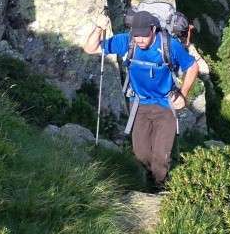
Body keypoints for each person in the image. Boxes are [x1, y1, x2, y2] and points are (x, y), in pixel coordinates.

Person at [84, 10, 199, 189]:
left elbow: (192, 67)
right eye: (136, 35)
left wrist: (183, 94)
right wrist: (99, 27)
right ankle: (150, 179)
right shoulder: (127, 41)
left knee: (160, 156)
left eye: (144, 36)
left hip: (165, 105)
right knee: (141, 154)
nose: (139, 40)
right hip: (140, 105)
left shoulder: (170, 45)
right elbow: (90, 48)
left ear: (153, 29)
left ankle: (160, 189)